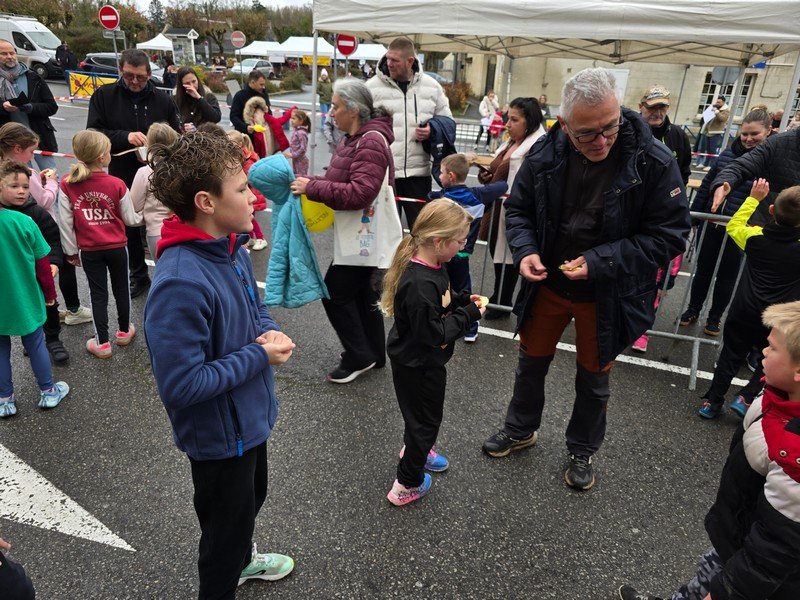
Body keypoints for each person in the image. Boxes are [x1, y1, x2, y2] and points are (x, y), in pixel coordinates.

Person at [481, 68, 690, 490]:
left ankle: (582, 449)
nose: (602, 140)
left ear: (619, 111)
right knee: (530, 364)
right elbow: (518, 210)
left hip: (607, 292)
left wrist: (599, 261)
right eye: (586, 134)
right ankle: (520, 429)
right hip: (549, 283)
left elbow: (670, 235)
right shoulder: (545, 151)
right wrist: (526, 250)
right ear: (564, 124)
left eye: (609, 126)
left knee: (594, 379)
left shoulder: (653, 160)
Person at [143, 132, 295, 599]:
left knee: (251, 503)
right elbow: (181, 385)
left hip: (248, 423)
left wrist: (267, 331)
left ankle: (242, 560)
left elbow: (254, 309)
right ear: (206, 202)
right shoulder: (180, 282)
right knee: (222, 541)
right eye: (243, 188)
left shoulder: (231, 247)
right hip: (219, 440)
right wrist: (259, 355)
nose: (254, 197)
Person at [618, 301, 800, 600]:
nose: (764, 352)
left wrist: (728, 592)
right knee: (704, 577)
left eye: (773, 348)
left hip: (756, 563)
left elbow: (778, 544)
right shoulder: (779, 393)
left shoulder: (794, 451)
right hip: (740, 534)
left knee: (711, 584)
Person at [379, 199, 485, 505]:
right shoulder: (419, 284)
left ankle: (417, 448)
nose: (463, 246)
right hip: (419, 365)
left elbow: (443, 298)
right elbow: (434, 334)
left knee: (419, 418)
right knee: (425, 423)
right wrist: (469, 315)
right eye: (460, 241)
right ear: (439, 241)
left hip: (420, 361)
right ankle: (406, 484)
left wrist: (463, 301)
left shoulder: (434, 266)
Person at [290, 78, 394, 383]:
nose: (331, 112)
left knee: (334, 292)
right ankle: (373, 353)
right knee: (361, 293)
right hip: (362, 235)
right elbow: (342, 179)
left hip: (363, 235)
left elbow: (360, 193)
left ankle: (360, 355)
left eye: (335, 106)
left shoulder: (369, 140)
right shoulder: (355, 138)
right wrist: (311, 183)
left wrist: (312, 188)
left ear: (353, 109)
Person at [697, 180, 800, 419]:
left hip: (744, 308)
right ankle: (747, 397)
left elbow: (734, 225)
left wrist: (753, 199)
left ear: (772, 210)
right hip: (777, 318)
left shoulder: (755, 237)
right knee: (768, 356)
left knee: (730, 355)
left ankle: (712, 402)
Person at [86, 48, 181, 299]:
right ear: (120, 70)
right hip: (122, 168)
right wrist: (124, 137)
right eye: (129, 76)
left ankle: (169, 274)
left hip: (159, 171)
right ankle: (138, 275)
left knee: (161, 220)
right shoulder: (105, 95)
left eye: (140, 76)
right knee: (128, 224)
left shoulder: (162, 99)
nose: (135, 81)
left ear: (149, 73)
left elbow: (177, 132)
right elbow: (93, 133)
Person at [680, 109, 772, 338]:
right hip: (712, 224)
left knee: (727, 276)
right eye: (745, 134)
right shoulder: (727, 155)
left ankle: (714, 318)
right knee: (703, 271)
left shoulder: (770, 161)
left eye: (755, 134)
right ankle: (693, 309)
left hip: (739, 230)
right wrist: (695, 216)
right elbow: (707, 185)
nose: (748, 139)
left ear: (768, 132)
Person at [58, 130, 142, 359]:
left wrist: (70, 251)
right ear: (103, 156)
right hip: (117, 247)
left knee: (97, 294)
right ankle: (124, 331)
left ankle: (102, 342)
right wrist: (148, 214)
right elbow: (131, 219)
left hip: (89, 250)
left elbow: (65, 222)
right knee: (121, 289)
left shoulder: (67, 183)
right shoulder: (117, 183)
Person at [0, 122, 92, 327]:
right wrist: (51, 182)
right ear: (17, 149)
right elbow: (44, 201)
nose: (32, 156)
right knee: (61, 265)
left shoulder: (4, 170)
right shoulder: (27, 172)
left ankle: (40, 309)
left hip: (15, 228)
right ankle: (73, 310)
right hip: (41, 226)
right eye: (31, 151)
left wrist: (37, 181)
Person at [0, 160, 69, 418]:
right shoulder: (25, 221)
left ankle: (5, 399)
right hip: (26, 297)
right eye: (13, 186)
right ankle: (48, 391)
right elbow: (43, 266)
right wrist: (50, 296)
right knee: (36, 343)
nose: (21, 191)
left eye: (25, 186)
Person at [631, 85, 694, 352]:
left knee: (658, 280)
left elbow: (685, 171)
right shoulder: (630, 131)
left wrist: (674, 202)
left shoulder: (677, 135)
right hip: (633, 215)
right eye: (652, 107)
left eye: (662, 107)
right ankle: (620, 323)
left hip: (662, 218)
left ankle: (642, 331)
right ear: (641, 107)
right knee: (628, 273)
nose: (657, 112)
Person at [367, 36, 452, 231]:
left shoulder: (432, 87)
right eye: (388, 58)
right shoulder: (370, 87)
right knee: (386, 235)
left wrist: (432, 130)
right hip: (384, 174)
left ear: (410, 61)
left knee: (421, 233)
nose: (389, 63)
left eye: (395, 60)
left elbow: (448, 122)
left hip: (418, 175)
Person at [477, 96, 546, 320]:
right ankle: (500, 296)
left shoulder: (537, 146)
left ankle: (503, 300)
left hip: (517, 210)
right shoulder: (512, 142)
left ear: (530, 122)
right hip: (499, 207)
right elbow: (499, 170)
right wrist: (487, 177)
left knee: (510, 255)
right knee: (497, 252)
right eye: (508, 118)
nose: (507, 124)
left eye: (514, 120)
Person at [427, 153, 507, 342]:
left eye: (441, 173)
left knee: (442, 287)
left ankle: (444, 321)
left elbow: (429, 197)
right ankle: (470, 327)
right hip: (462, 253)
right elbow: (502, 186)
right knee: (464, 292)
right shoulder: (478, 194)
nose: (439, 176)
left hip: (441, 253)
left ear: (451, 176)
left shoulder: (440, 197)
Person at [0, 40, 59, 172]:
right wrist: (3, 107)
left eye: (12, 53)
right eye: (4, 54)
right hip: (9, 143)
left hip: (39, 137)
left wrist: (31, 107)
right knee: (22, 178)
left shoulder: (32, 76)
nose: (9, 57)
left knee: (51, 176)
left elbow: (51, 106)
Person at [130, 123, 180, 260]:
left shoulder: (144, 172)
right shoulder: (181, 169)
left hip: (157, 229)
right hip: (180, 228)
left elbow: (135, 205)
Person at [226, 130, 268, 251]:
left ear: (239, 144)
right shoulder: (242, 155)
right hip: (248, 192)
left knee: (249, 217)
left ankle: (261, 238)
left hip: (251, 193)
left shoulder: (246, 158)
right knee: (248, 217)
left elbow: (248, 176)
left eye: (230, 143)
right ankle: (250, 238)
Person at [230, 70, 272, 139]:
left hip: (262, 136)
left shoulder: (263, 93)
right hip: (246, 137)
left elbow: (269, 113)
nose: (263, 87)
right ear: (252, 82)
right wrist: (246, 127)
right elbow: (233, 117)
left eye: (264, 84)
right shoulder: (240, 96)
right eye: (261, 84)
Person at [696, 95, 730, 170]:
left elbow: (722, 119)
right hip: (708, 131)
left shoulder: (726, 110)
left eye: (719, 102)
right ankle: (705, 163)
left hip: (716, 132)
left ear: (723, 102)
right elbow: (706, 116)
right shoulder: (714, 107)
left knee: (712, 149)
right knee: (708, 149)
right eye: (717, 102)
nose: (717, 103)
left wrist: (716, 112)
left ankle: (711, 165)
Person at [286, 109, 310, 176]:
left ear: (301, 121)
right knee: (296, 176)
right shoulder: (296, 131)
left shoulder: (301, 133)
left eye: (294, 118)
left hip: (301, 161)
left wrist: (293, 154)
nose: (291, 120)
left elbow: (303, 148)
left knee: (301, 178)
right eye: (291, 118)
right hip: (296, 160)